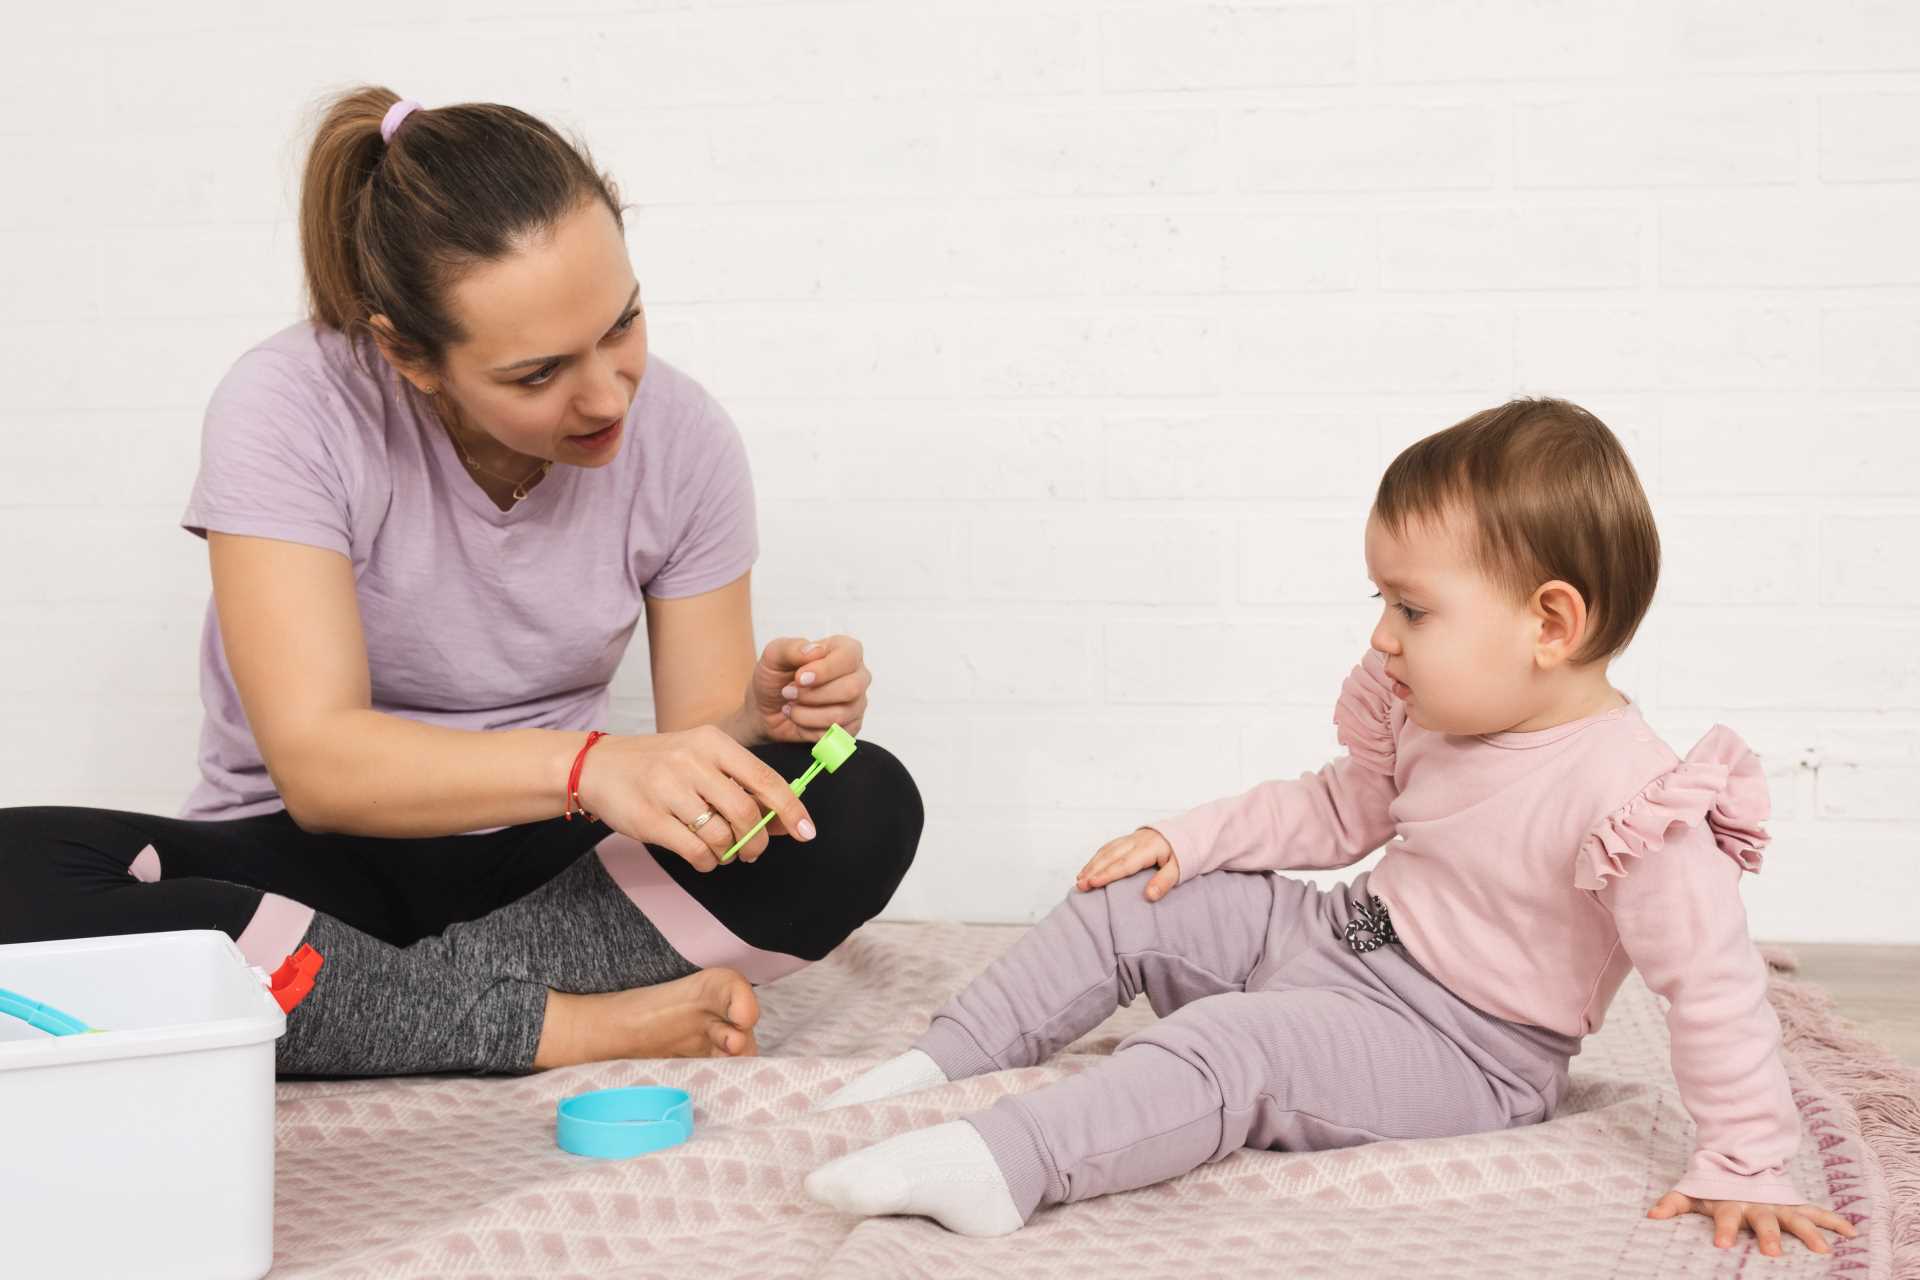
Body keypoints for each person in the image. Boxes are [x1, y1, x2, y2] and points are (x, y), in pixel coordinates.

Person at [0, 86, 922, 1077]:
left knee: (860, 802)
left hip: (548, 869)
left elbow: (692, 759)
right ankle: (557, 1019)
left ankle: (351, 1000)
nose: (610, 394)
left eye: (624, 323)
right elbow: (320, 766)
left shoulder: (686, 438)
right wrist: (590, 764)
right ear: (407, 352)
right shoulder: (289, 408)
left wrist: (753, 720)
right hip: (305, 861)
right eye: (538, 373)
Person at [805, 399, 1855, 1259]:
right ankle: (939, 1061)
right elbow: (1338, 806)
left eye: (1413, 608)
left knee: (1232, 1044)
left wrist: (1747, 1156)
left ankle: (1004, 1162)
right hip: (1340, 936)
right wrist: (1189, 839)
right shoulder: (1437, 710)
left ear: (1550, 623)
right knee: (1136, 900)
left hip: (1457, 1044)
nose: (1380, 634)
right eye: (1381, 600)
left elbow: (1714, 988)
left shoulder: (1636, 803)